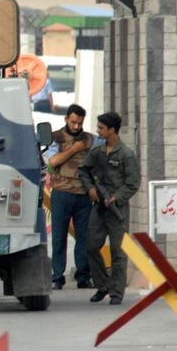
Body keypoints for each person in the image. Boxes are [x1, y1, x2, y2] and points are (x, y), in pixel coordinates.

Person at [77, 112, 140, 305]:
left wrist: (116, 197)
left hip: (116, 210)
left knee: (118, 252)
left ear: (112, 130)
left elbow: (132, 183)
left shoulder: (126, 154)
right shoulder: (97, 152)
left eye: (101, 128)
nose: (98, 131)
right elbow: (83, 170)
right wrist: (91, 189)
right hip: (99, 207)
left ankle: (116, 293)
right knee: (90, 245)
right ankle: (102, 284)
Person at [47, 104, 99, 290]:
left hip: (83, 195)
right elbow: (53, 162)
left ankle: (83, 276)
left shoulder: (91, 139)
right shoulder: (56, 138)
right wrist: (75, 149)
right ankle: (57, 276)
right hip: (61, 193)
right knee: (59, 237)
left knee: (84, 237)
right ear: (66, 119)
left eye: (80, 123)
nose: (77, 126)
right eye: (73, 122)